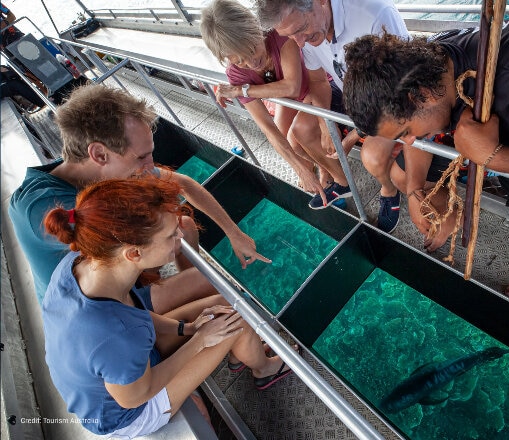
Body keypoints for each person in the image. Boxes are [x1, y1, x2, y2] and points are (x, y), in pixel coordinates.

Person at [341, 19, 509, 299]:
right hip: (480, 140)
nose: (409, 141)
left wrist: (494, 157)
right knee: (402, 177)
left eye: (406, 132)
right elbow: (420, 134)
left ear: (421, 96)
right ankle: (446, 212)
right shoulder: (424, 65)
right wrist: (415, 192)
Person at [41, 176, 294, 437]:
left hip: (125, 365)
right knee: (238, 320)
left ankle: (239, 353)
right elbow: (136, 396)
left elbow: (133, 314)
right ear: (134, 253)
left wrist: (187, 328)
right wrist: (200, 341)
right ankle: (265, 370)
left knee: (227, 304)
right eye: (172, 234)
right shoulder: (114, 333)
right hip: (131, 413)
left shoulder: (83, 264)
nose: (181, 235)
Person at [9, 84, 270, 305]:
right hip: (92, 308)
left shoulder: (103, 171)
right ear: (99, 154)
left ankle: (194, 301)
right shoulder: (43, 208)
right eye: (142, 156)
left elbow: (185, 184)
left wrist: (233, 232)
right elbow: (138, 248)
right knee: (223, 294)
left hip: (115, 267)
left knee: (185, 226)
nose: (150, 166)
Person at [256, 0, 410, 229]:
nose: (299, 42)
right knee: (300, 130)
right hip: (349, 92)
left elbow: (400, 92)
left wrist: (351, 138)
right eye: (290, 36)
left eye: (300, 30)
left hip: (390, 101)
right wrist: (325, 121)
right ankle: (341, 182)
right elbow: (319, 81)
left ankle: (388, 190)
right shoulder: (307, 34)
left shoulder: (376, 14)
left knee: (373, 156)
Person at [200, 0, 349, 209]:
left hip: (317, 88)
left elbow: (292, 87)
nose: (251, 63)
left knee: (296, 137)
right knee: (284, 137)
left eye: (252, 49)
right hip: (292, 100)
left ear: (257, 29)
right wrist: (300, 170)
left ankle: (343, 181)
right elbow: (268, 129)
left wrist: (244, 90)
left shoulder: (279, 34)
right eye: (240, 60)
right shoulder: (235, 73)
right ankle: (321, 166)